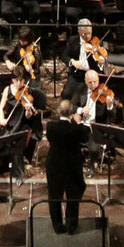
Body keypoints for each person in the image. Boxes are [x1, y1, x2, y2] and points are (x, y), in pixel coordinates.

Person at [45, 99, 89, 234]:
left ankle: (57, 226)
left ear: (58, 112)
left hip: (54, 165)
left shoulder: (51, 127)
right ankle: (71, 225)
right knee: (73, 194)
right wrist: (78, 121)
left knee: (54, 195)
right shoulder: (78, 128)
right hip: (72, 166)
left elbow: (51, 139)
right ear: (72, 113)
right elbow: (85, 137)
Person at [62, 19, 109, 102]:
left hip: (92, 74)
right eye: (84, 34)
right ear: (79, 31)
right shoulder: (73, 40)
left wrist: (101, 62)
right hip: (77, 73)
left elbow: (101, 65)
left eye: (89, 33)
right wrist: (72, 61)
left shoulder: (97, 42)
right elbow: (64, 56)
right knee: (66, 94)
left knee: (89, 98)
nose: (87, 36)